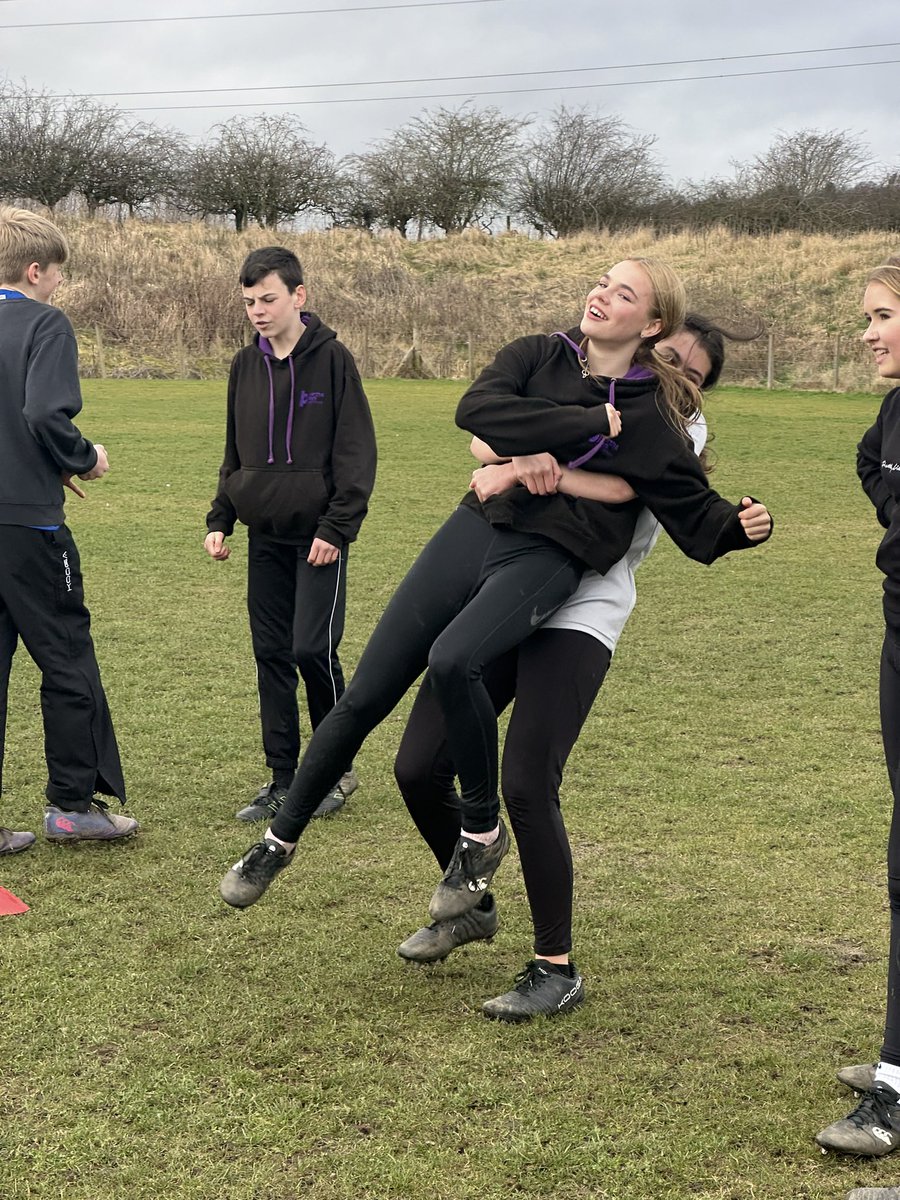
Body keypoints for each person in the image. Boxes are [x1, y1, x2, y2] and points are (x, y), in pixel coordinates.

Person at [219, 257, 772, 916]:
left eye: (623, 294)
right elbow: (479, 413)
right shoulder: (542, 354)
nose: (601, 295)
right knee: (368, 688)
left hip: (554, 553)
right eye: (602, 282)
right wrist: (575, 431)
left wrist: (742, 526)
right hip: (480, 522)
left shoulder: (652, 411)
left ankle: (481, 835)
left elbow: (685, 508)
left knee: (456, 662)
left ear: (650, 324)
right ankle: (278, 841)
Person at [393, 314, 739, 1022]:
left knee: (525, 781)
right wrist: (519, 451)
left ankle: (556, 967)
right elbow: (488, 433)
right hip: (509, 583)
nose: (677, 378)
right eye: (668, 358)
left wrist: (525, 465)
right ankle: (472, 901)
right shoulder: (588, 395)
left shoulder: (677, 432)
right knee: (416, 765)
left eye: (694, 376)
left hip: (583, 612)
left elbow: (619, 488)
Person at [204, 246, 376, 824]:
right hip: (264, 537)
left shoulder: (333, 361)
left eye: (268, 299)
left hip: (319, 537)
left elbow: (356, 453)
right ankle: (282, 777)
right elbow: (234, 452)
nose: (257, 310)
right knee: (271, 654)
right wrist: (221, 517)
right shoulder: (242, 366)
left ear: (298, 297)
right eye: (249, 301)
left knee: (312, 650)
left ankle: (335, 770)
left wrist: (337, 526)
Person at [0, 206, 138, 845]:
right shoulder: (46, 323)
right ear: (35, 270)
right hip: (28, 531)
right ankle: (71, 804)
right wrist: (85, 458)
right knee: (67, 658)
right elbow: (42, 412)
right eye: (57, 275)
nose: (59, 286)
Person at [817, 256, 900, 1158]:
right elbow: (868, 461)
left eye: (881, 316)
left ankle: (897, 1087)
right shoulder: (892, 408)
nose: (867, 331)